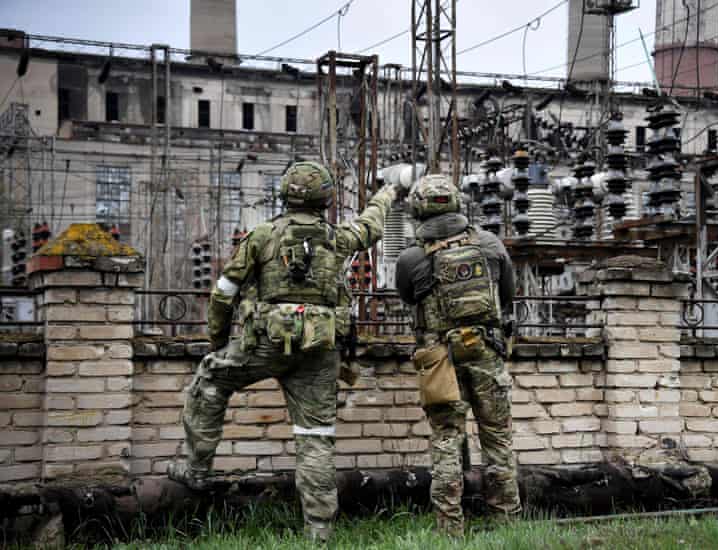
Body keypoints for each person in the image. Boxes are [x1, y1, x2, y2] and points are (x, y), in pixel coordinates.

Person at [167, 161, 403, 542]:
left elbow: (223, 294)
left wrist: (218, 342)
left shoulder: (260, 236)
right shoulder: (337, 237)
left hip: (261, 345)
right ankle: (319, 532)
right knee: (315, 437)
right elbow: (372, 226)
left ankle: (197, 469)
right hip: (318, 350)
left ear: (283, 194)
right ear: (325, 199)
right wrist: (387, 193)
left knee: (210, 378)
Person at [395, 174, 521, 536]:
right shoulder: (491, 245)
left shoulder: (411, 258)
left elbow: (408, 298)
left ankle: (450, 529)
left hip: (439, 358)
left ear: (418, 209)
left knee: (446, 438)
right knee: (497, 439)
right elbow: (507, 295)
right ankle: (507, 523)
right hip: (487, 351)